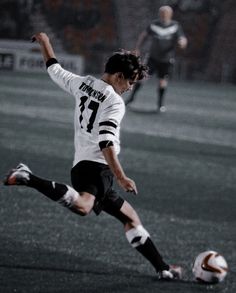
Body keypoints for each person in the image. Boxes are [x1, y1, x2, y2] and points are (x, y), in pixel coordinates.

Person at [3, 32, 182, 280]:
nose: (130, 88)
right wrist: (122, 176)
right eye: (130, 82)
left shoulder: (82, 83)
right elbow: (106, 141)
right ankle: (28, 177)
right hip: (99, 168)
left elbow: (54, 69)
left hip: (82, 166)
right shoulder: (115, 102)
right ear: (119, 76)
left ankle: (163, 268)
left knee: (130, 218)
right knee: (84, 206)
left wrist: (45, 42)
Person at [125, 5, 188, 112]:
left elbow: (182, 38)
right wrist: (137, 48)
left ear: (170, 14)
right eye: (162, 13)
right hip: (153, 58)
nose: (164, 15)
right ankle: (131, 98)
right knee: (142, 77)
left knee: (162, 81)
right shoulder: (154, 25)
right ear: (159, 14)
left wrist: (182, 43)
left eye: (166, 13)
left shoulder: (175, 26)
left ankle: (160, 104)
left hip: (166, 59)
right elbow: (143, 35)